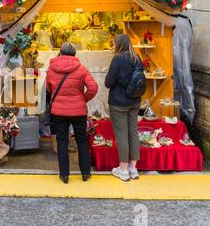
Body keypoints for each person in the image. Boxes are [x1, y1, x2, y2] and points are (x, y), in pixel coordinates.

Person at [46, 43, 98, 184]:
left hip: (59, 111)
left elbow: (49, 88)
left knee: (62, 141)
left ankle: (64, 175)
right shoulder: (81, 68)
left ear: (61, 53)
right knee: (81, 140)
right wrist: (82, 99)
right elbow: (93, 88)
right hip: (78, 111)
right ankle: (85, 173)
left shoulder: (51, 69)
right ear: (75, 54)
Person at [105, 34, 143, 182]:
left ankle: (123, 169)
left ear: (118, 44)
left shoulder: (118, 59)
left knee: (122, 134)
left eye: (114, 43)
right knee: (133, 132)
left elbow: (108, 82)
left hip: (119, 102)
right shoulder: (137, 58)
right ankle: (133, 168)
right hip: (135, 101)